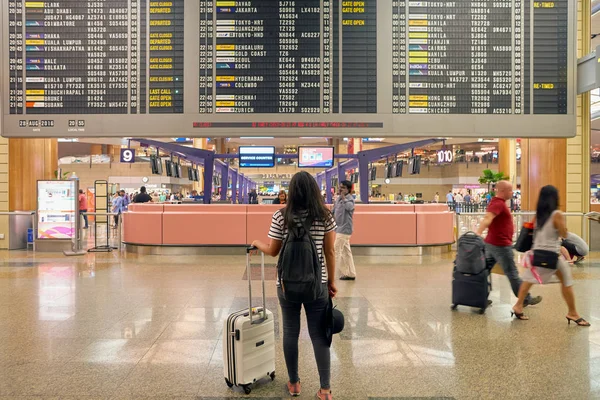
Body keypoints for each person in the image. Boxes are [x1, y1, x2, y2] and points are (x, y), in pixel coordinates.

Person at [251, 171, 337, 400]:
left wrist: (256, 243)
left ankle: (294, 383)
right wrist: (331, 281)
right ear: (314, 191)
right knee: (319, 336)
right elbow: (330, 251)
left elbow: (273, 251)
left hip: (286, 285)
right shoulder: (325, 216)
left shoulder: (281, 216)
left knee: (290, 332)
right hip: (316, 284)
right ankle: (325, 390)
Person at [511, 185, 589, 326]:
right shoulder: (556, 214)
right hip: (551, 255)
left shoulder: (538, 216)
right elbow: (564, 234)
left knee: (528, 280)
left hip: (537, 254)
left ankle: (518, 305)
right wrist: (563, 227)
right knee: (567, 282)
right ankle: (572, 313)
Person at [476, 181, 542, 307]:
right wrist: (478, 232)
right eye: (510, 190)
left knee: (484, 271)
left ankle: (479, 297)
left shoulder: (498, 203)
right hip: (500, 245)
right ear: (503, 191)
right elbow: (488, 218)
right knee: (512, 273)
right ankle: (526, 299)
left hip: (492, 243)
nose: (512, 192)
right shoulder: (497, 204)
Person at [333, 180, 356, 281]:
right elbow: (333, 211)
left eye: (343, 187)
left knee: (335, 251)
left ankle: (332, 274)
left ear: (348, 189)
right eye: (340, 187)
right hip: (339, 228)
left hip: (345, 230)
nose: (340, 189)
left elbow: (349, 208)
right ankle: (350, 273)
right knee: (346, 252)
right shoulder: (338, 199)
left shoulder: (350, 199)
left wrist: (343, 198)